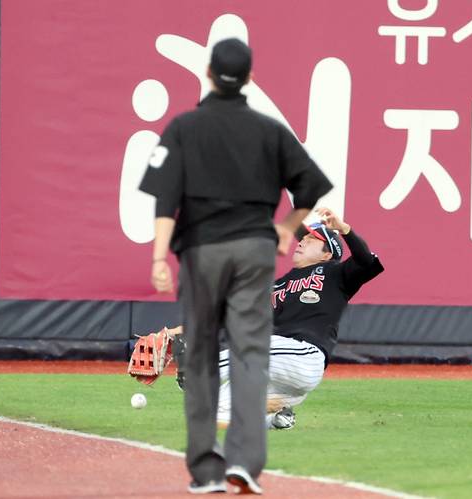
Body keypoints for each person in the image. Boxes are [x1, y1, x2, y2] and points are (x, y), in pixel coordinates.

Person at [138, 38, 332, 495]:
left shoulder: (185, 127)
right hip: (252, 255)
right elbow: (311, 186)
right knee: (249, 357)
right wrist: (286, 229)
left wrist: (157, 255)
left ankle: (206, 472)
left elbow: (165, 199)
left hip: (203, 252)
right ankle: (244, 465)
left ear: (208, 74)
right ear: (248, 78)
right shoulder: (269, 130)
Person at [168, 207, 384, 430]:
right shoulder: (278, 285)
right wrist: (177, 331)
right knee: (212, 412)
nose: (301, 242)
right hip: (277, 371)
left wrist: (345, 230)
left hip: (305, 357)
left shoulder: (336, 274)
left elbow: (366, 262)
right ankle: (277, 419)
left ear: (327, 254)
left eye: (311, 239)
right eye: (303, 238)